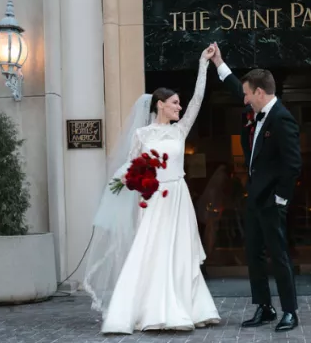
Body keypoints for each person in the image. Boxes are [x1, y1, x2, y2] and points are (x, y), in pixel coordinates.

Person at [83, 45, 220, 334]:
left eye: (179, 104)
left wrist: (203, 65)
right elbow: (131, 167)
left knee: (179, 253)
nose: (179, 107)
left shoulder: (180, 130)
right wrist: (127, 182)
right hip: (153, 200)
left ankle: (188, 308)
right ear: (160, 104)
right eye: (175, 103)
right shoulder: (142, 135)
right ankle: (146, 309)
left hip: (178, 198)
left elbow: (198, 99)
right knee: (151, 252)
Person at [210, 43, 302, 332]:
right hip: (254, 198)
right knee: (254, 255)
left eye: (249, 94)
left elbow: (293, 164)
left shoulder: (282, 118)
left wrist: (281, 199)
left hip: (272, 201)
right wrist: (219, 63)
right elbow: (236, 88)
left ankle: (290, 311)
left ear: (260, 93)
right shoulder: (256, 109)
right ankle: (265, 307)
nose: (245, 99)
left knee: (279, 256)